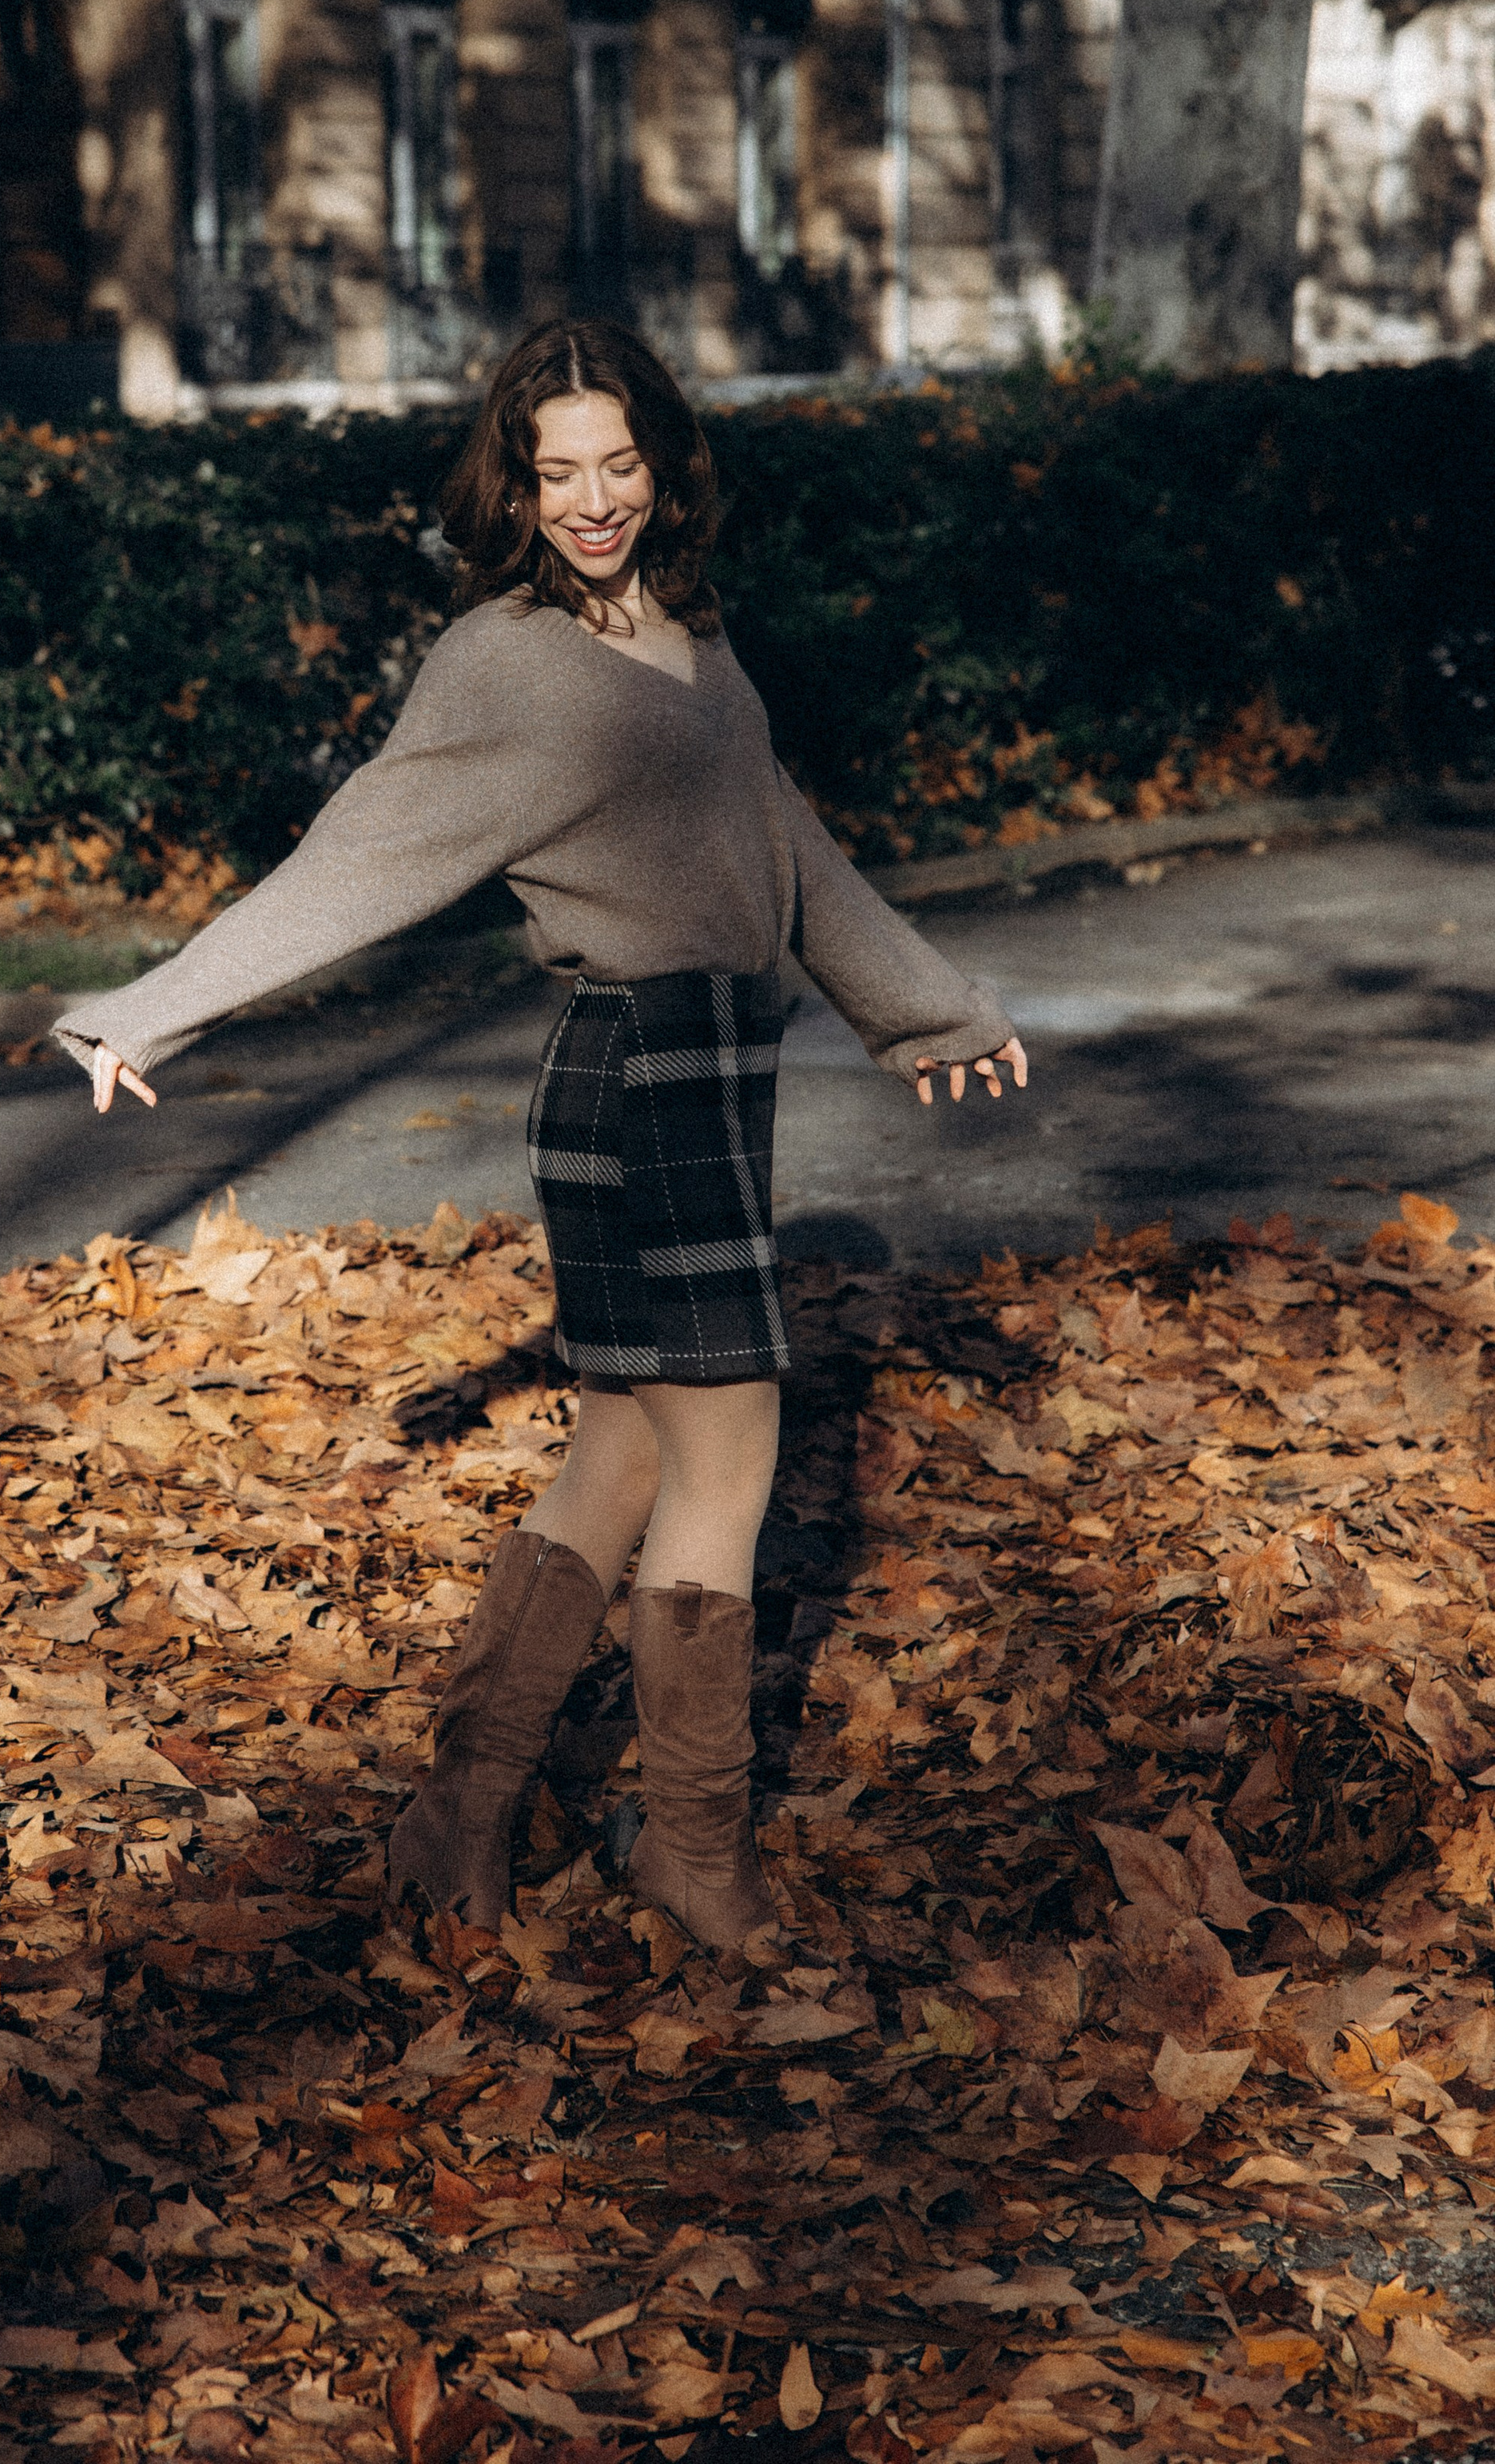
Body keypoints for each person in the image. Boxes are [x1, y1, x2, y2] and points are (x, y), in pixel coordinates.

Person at [54, 320, 1027, 1963]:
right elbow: (354, 854)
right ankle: (695, 1849)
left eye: (617, 464)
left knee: (624, 1452)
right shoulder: (501, 658)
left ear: (663, 464)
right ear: (510, 482)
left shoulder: (689, 638)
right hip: (633, 1076)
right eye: (553, 471)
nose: (590, 501)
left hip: (715, 1076)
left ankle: (458, 1811)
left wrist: (922, 1009)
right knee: (729, 1454)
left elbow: (783, 848)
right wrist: (153, 1007)